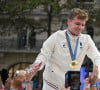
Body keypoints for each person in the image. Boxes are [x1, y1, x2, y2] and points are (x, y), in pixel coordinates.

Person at [18, 8, 100, 90]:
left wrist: (97, 74)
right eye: (77, 24)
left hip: (72, 82)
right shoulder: (57, 36)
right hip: (53, 83)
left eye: (82, 25)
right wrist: (36, 66)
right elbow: (43, 54)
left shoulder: (86, 39)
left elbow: (97, 57)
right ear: (69, 22)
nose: (80, 28)